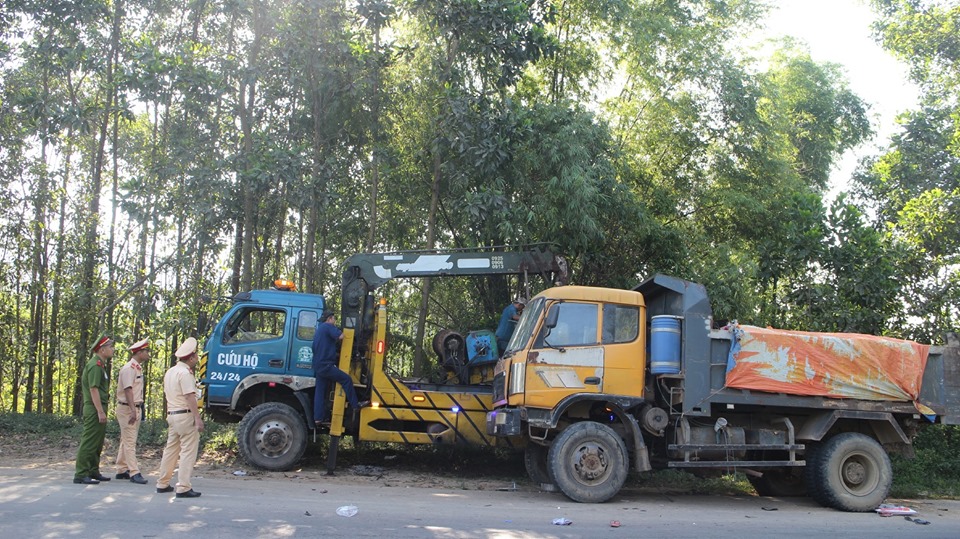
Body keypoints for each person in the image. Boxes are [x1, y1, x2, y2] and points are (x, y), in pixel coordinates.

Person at [156, 337, 204, 498]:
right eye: (196, 355)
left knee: (171, 450)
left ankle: (163, 483)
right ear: (191, 357)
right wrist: (197, 418)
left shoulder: (171, 372)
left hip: (172, 415)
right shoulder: (185, 374)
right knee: (188, 452)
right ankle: (183, 486)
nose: (197, 358)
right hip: (185, 415)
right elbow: (190, 397)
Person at [312, 310, 367, 427]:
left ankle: (318, 418)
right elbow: (342, 336)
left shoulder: (319, 329)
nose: (335, 321)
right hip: (326, 365)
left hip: (318, 365)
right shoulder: (328, 326)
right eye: (334, 319)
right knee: (346, 379)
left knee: (320, 392)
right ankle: (355, 405)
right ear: (329, 319)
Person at [73, 335, 115, 485]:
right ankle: (81, 473)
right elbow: (94, 389)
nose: (113, 349)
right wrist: (100, 411)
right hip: (94, 408)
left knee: (97, 442)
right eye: (110, 347)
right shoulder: (95, 365)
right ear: (102, 350)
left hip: (98, 407)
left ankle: (93, 470)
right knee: (90, 441)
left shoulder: (100, 365)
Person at [115, 338, 150, 484]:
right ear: (140, 352)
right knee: (130, 441)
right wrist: (132, 410)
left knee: (126, 439)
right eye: (146, 351)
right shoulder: (129, 368)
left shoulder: (137, 368)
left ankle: (122, 469)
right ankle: (134, 472)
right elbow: (128, 390)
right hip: (128, 408)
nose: (148, 354)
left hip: (135, 407)